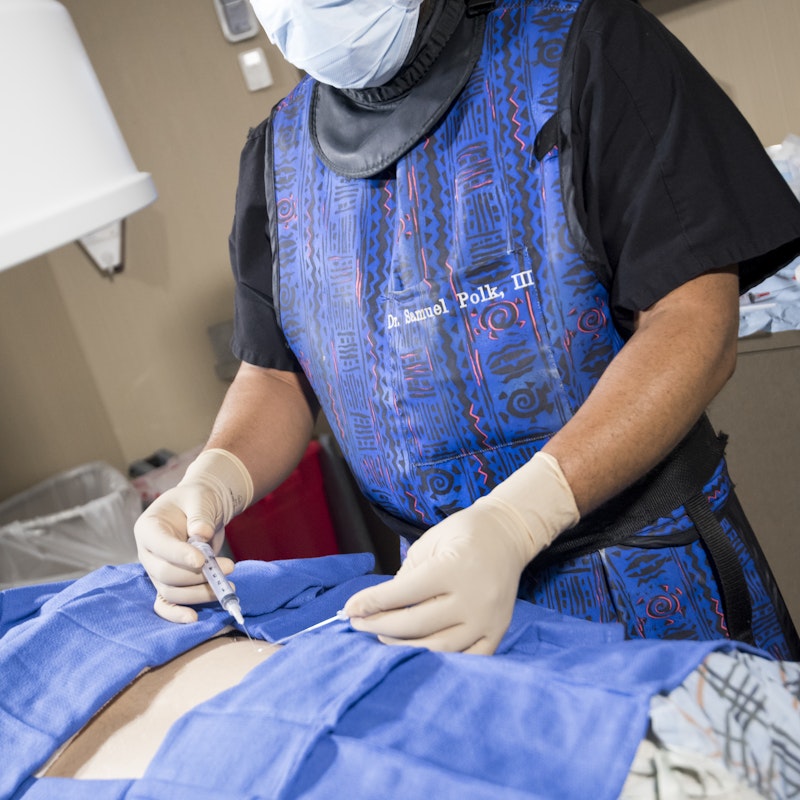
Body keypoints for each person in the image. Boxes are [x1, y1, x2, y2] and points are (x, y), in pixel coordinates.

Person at [135, 0, 800, 658]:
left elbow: (693, 322)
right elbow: (276, 373)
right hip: (440, 598)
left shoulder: (587, 47)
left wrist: (519, 519)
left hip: (649, 575)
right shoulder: (277, 158)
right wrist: (212, 482)